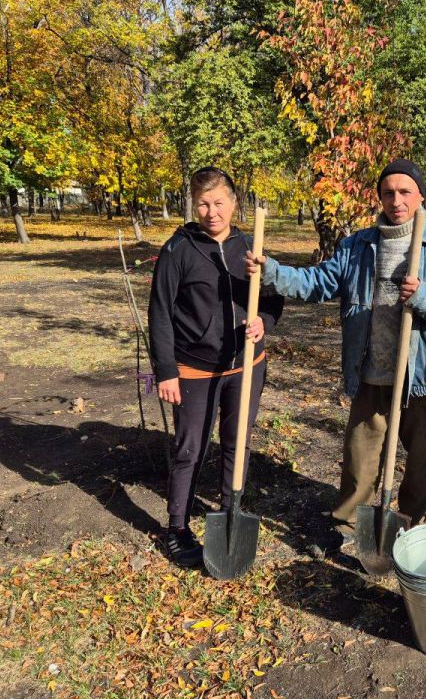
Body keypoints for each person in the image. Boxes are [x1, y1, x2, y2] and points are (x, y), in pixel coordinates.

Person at [246, 159, 426, 553]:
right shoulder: (358, 245)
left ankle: (406, 526)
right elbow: (317, 283)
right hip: (371, 372)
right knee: (359, 460)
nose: (396, 200)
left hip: (422, 377)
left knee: (420, 464)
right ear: (379, 197)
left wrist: (424, 296)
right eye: (388, 192)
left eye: (405, 191)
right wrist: (272, 270)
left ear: (420, 195)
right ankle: (347, 527)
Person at [148, 167, 284, 568]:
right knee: (190, 448)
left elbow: (274, 298)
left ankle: (230, 513)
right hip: (194, 369)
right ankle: (176, 528)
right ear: (194, 205)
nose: (212, 212)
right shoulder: (179, 250)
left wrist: (265, 323)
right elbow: (159, 314)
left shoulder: (250, 246)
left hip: (245, 365)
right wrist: (166, 370)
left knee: (236, 443)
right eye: (203, 203)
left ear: (233, 202)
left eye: (219, 202)